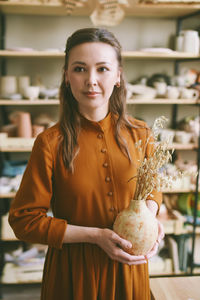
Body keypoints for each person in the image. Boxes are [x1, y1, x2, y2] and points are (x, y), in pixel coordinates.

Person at [9, 27, 164, 300]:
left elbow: (152, 188)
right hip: (73, 276)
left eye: (102, 69)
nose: (91, 80)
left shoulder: (141, 134)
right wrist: (95, 236)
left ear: (118, 76)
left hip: (130, 272)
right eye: (79, 69)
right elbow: (23, 221)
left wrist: (149, 219)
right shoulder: (50, 142)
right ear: (67, 77)